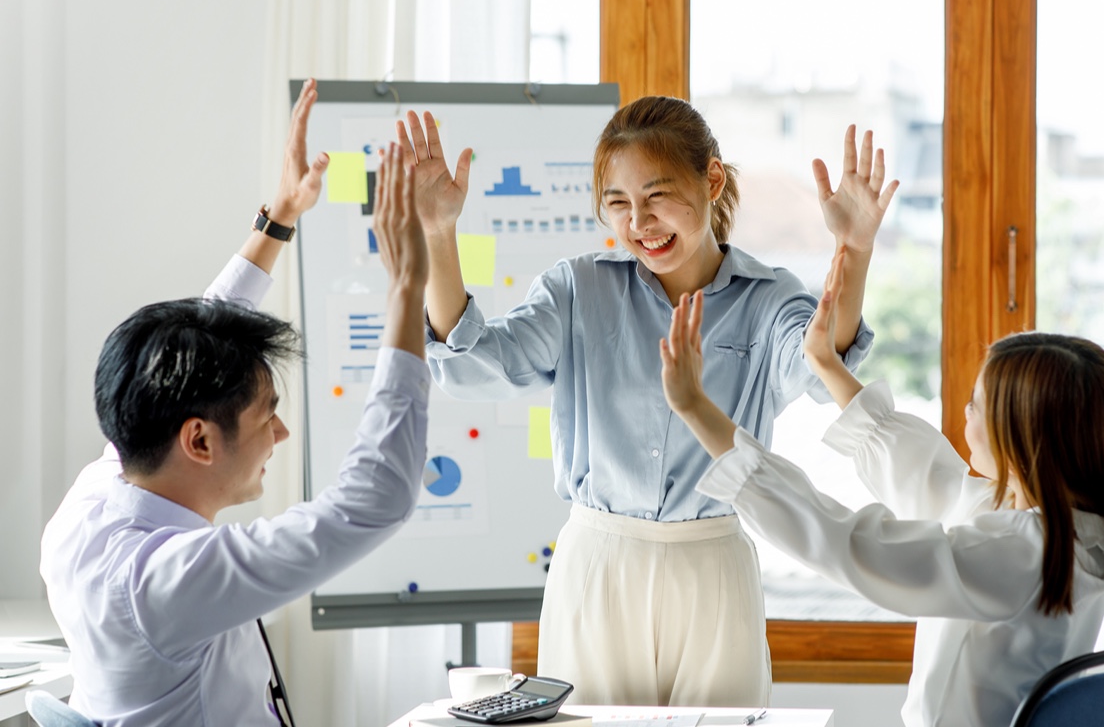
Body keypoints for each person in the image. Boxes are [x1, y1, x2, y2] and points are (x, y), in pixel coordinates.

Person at [401, 96, 898, 705]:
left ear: (712, 180)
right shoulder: (578, 288)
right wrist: (438, 233)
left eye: (657, 195)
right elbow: (473, 364)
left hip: (712, 562)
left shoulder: (768, 298)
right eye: (618, 203)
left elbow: (823, 364)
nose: (639, 222)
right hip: (598, 563)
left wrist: (854, 249)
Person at [40, 80, 431, 726]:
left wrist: (279, 217)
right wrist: (407, 290)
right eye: (266, 415)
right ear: (199, 440)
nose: (281, 433)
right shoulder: (166, 582)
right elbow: (373, 502)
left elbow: (190, 344)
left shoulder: (96, 499)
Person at [658, 249, 1104, 727]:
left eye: (976, 404)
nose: (965, 412)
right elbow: (931, 479)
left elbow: (851, 544)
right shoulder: (1081, 533)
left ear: (1025, 441)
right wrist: (828, 365)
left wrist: (696, 409)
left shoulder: (1023, 552)